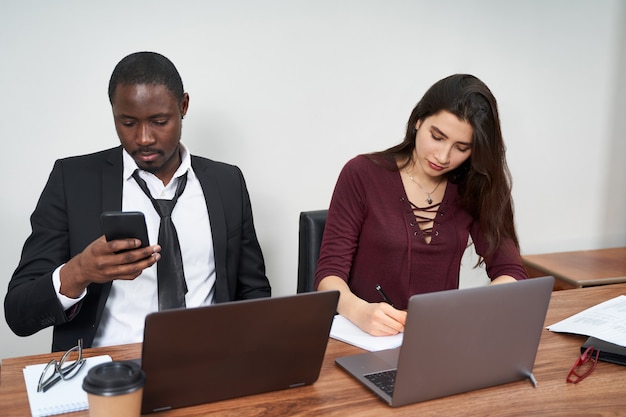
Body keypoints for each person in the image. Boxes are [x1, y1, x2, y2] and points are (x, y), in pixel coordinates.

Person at [5, 52, 271, 352]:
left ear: (183, 106)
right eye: (128, 122)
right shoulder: (73, 180)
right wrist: (79, 271)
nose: (143, 138)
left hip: (208, 364)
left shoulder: (227, 182)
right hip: (106, 373)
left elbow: (254, 291)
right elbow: (18, 313)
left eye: (159, 121)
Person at [315, 74, 527, 337]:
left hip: (437, 340)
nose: (443, 156)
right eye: (437, 137)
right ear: (418, 120)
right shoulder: (362, 174)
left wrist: (475, 309)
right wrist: (359, 311)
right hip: (365, 339)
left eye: (461, 148)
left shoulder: (474, 186)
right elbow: (328, 276)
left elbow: (510, 271)